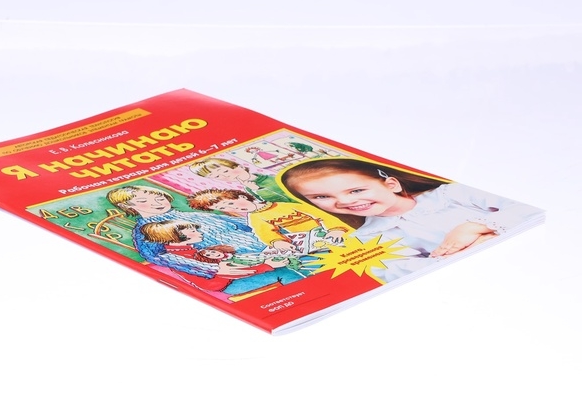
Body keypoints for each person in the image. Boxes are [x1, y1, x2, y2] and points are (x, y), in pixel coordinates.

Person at [280, 158, 541, 281]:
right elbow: (400, 272)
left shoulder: (448, 195)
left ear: (391, 184)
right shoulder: (367, 240)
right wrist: (483, 241)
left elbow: (525, 209)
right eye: (322, 196)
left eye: (356, 190)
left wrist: (472, 227)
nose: (344, 202)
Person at [106, 185, 267, 280]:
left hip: (268, 242)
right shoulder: (148, 229)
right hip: (247, 257)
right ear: (127, 206)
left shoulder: (190, 215)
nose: (156, 203)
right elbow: (159, 256)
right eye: (143, 201)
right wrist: (211, 269)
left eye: (160, 198)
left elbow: (242, 223)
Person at [138, 220, 304, 295]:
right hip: (226, 285)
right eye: (193, 231)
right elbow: (227, 273)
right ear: (176, 237)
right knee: (284, 272)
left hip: (231, 279)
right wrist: (266, 265)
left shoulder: (190, 250)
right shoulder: (179, 256)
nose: (199, 232)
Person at [187, 188, 348, 254]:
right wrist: (277, 242)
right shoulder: (255, 217)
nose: (235, 207)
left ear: (242, 196)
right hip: (311, 239)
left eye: (230, 203)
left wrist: (336, 229)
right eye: (224, 208)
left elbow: (321, 214)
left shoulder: (282, 204)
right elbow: (264, 232)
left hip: (333, 230)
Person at [188, 156, 293, 202]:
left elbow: (284, 200)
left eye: (225, 171)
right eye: (217, 176)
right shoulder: (248, 188)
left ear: (240, 166)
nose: (225, 176)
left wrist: (258, 190)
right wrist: (256, 191)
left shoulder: (272, 178)